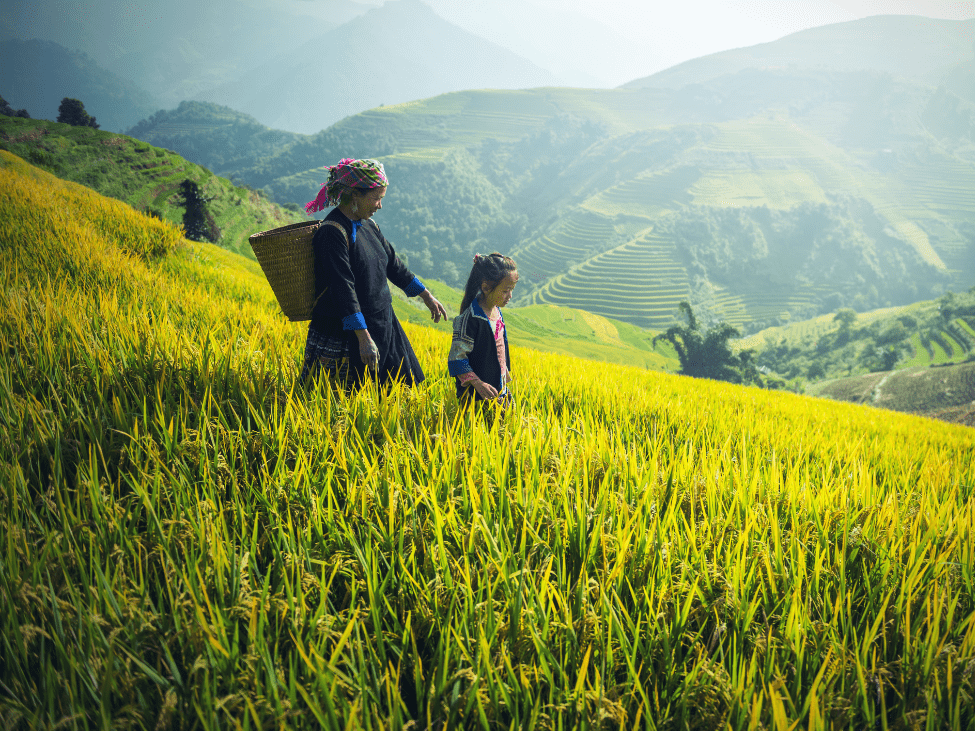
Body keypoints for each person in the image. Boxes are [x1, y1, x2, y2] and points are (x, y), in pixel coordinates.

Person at [300, 157, 447, 389]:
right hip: (349, 332)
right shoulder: (332, 232)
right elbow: (342, 288)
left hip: (383, 323)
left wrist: (426, 296)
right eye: (376, 198)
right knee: (347, 397)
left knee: (404, 389)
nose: (380, 205)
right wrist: (363, 337)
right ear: (355, 195)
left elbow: (393, 266)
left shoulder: (369, 226)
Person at [448, 252, 518, 404]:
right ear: (486, 287)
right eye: (505, 291)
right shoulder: (470, 319)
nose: (510, 296)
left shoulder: (497, 312)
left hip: (498, 390)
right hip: (476, 397)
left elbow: (500, 346)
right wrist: (478, 384)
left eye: (512, 289)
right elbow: (457, 358)